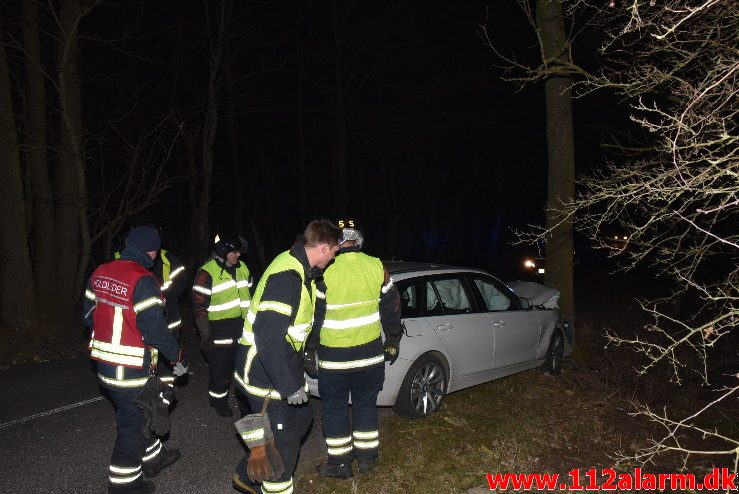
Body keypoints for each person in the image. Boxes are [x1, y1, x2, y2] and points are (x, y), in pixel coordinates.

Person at [232, 219, 342, 494]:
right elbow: (268, 338)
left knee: (302, 418)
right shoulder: (288, 278)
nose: (335, 257)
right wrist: (289, 385)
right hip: (263, 372)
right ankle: (274, 486)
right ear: (324, 248)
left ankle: (246, 473)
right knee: (285, 448)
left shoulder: (300, 267)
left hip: (278, 365)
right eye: (335, 251)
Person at [84, 226, 187, 494]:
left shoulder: (101, 271)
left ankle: (154, 458)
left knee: (142, 412)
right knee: (133, 428)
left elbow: (88, 316)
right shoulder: (143, 280)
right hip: (130, 369)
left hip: (105, 366)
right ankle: (124, 486)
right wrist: (176, 355)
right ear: (151, 252)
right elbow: (154, 330)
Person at [307, 220, 402, 479]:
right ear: (360, 240)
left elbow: (316, 315)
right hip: (369, 356)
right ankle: (367, 460)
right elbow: (392, 306)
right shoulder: (376, 266)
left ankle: (340, 465)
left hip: (334, 358)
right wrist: (393, 339)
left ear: (336, 242)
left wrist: (308, 350)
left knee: (335, 408)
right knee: (365, 406)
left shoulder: (324, 270)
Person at [114, 224, 188, 385]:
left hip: (169, 318)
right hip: (134, 323)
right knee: (148, 357)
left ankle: (165, 389)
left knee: (166, 355)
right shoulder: (118, 259)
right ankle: (150, 388)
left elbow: (181, 281)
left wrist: (161, 294)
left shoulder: (167, 258)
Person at [192, 234, 253, 417]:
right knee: (221, 370)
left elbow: (251, 292)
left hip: (243, 327)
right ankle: (218, 402)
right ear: (224, 252)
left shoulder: (242, 268)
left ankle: (246, 404)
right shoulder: (206, 272)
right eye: (235, 252)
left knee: (245, 369)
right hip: (219, 330)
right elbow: (199, 306)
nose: (238, 256)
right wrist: (205, 336)